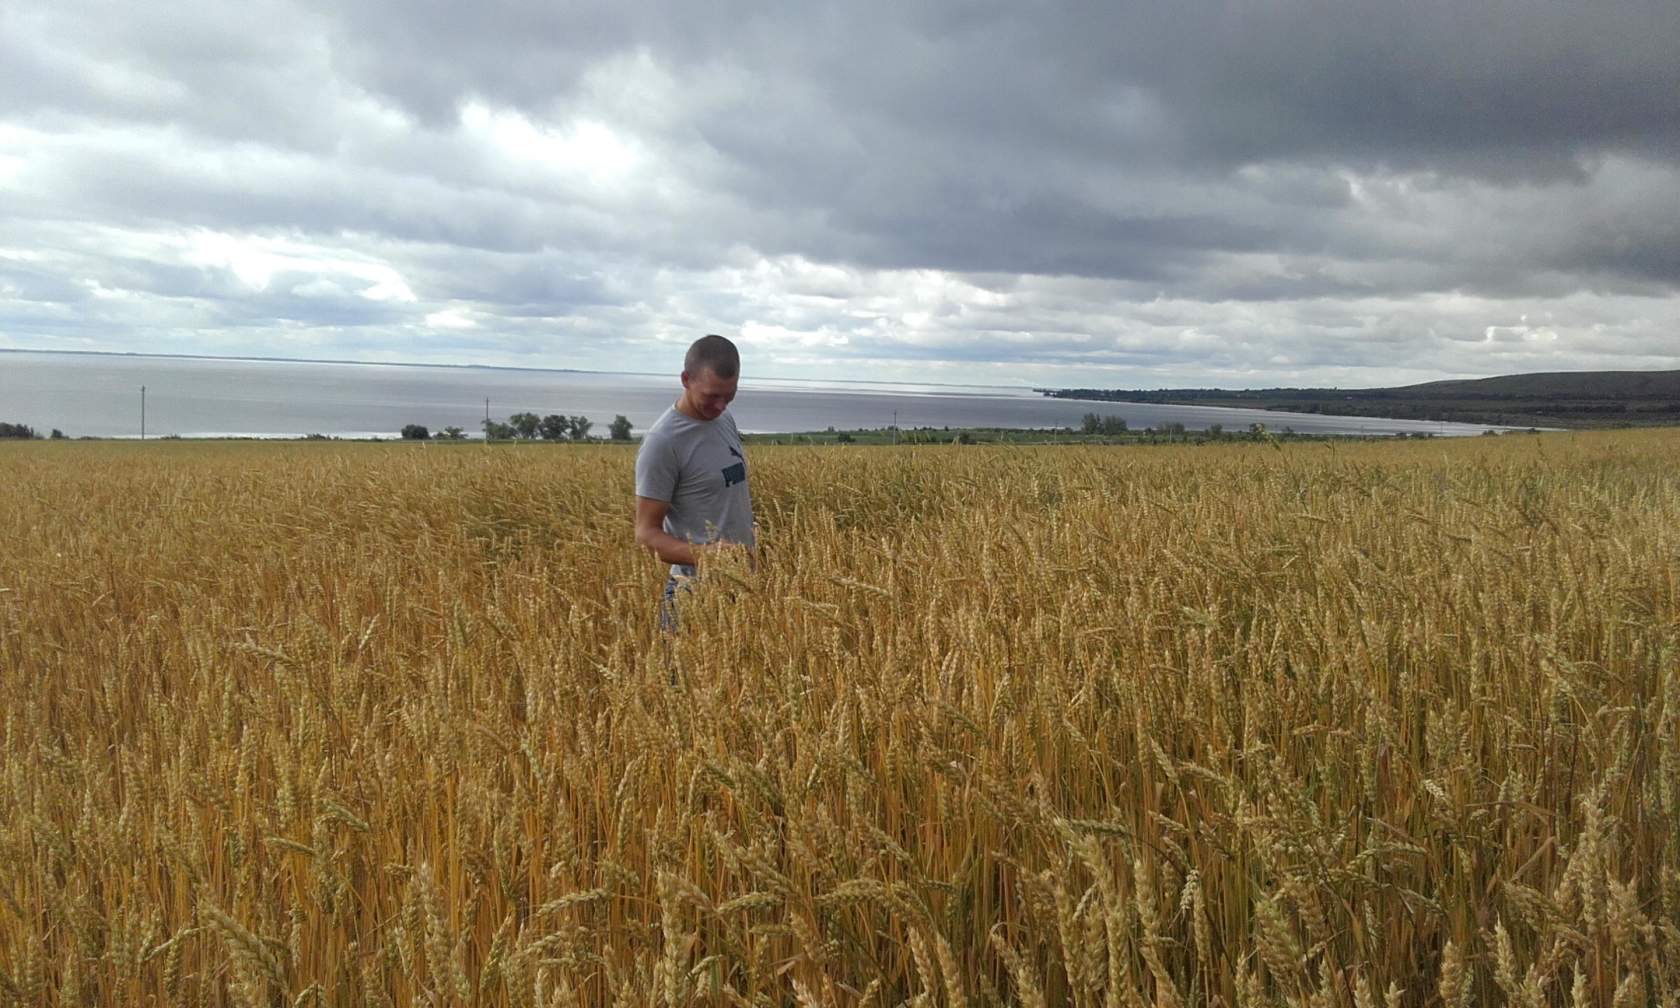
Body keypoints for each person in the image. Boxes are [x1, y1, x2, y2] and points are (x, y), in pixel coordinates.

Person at [633, 334, 756, 631]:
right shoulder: (663, 443)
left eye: (729, 395)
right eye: (712, 396)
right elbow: (645, 534)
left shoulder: (723, 419)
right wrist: (708, 556)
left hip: (740, 589)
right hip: (693, 596)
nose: (721, 406)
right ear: (686, 379)